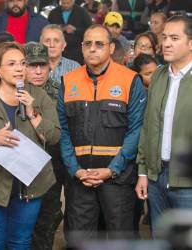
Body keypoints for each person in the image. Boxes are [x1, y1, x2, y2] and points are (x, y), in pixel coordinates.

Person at [0, 42, 60, 249]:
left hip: (31, 186)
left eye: (23, 63)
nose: (20, 68)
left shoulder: (39, 97)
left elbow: (54, 137)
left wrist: (32, 112)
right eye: (12, 64)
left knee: (20, 242)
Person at [57, 24, 147, 246]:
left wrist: (111, 169)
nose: (93, 49)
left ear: (111, 47)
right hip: (80, 180)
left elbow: (137, 129)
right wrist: (75, 170)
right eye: (88, 44)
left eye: (99, 44)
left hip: (117, 179)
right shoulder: (69, 81)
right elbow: (63, 130)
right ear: (81, 47)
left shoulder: (129, 79)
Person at [135, 15, 192, 236]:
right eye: (165, 37)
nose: (166, 43)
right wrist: (143, 171)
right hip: (156, 177)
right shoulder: (158, 75)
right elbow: (148, 126)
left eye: (175, 38)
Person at [23, 42, 62, 250]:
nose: (38, 71)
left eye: (42, 66)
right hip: (19, 163)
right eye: (32, 66)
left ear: (50, 67)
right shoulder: (12, 90)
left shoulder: (59, 91)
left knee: (48, 215)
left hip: (52, 161)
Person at [0, 0, 48, 70]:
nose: (15, 4)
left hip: (33, 71)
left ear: (26, 1)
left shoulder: (41, 22)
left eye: (19, 0)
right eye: (11, 1)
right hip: (4, 74)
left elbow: (48, 49)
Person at [48, 0, 92, 64]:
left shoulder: (82, 12)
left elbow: (89, 31)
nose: (66, 5)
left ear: (73, 1)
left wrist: (75, 30)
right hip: (57, 51)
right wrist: (58, 29)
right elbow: (47, 29)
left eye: (68, 3)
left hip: (76, 52)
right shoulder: (54, 13)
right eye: (63, 3)